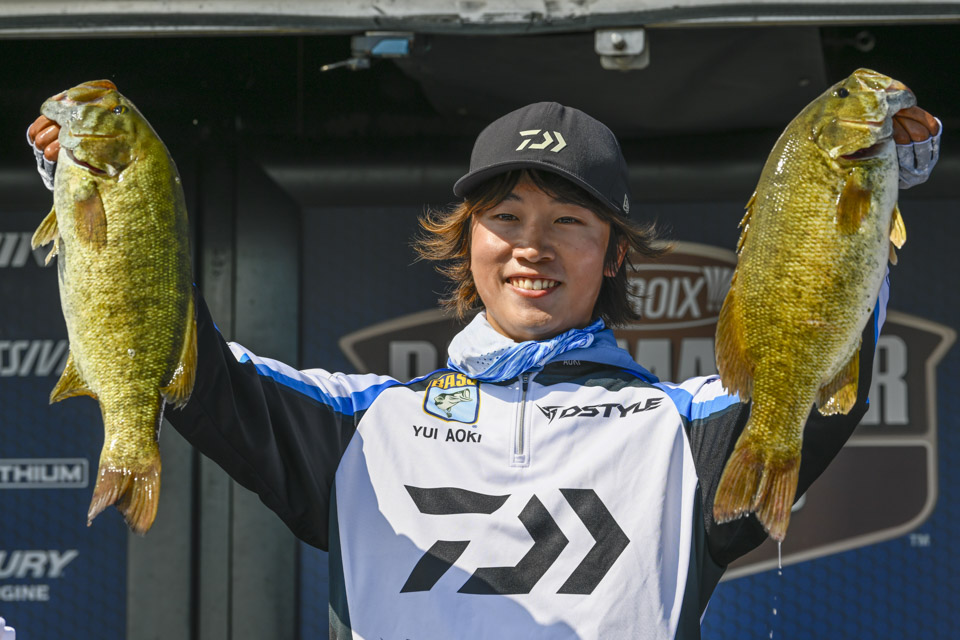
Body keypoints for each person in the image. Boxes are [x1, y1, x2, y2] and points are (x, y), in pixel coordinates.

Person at [28, 97, 941, 639]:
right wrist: (92, 197)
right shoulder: (359, 426)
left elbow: (820, 357)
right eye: (505, 218)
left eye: (570, 222)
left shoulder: (689, 432)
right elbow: (182, 359)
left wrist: (875, 182)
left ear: (615, 254)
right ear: (466, 240)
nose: (531, 247)